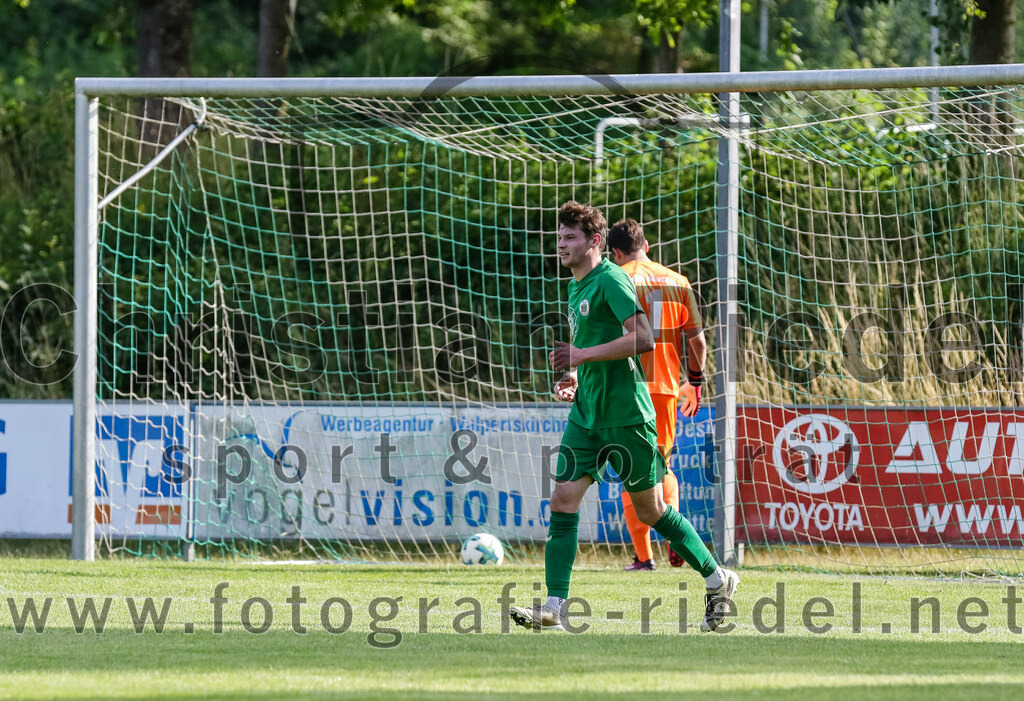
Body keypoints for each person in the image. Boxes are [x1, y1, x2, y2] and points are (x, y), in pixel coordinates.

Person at [509, 200, 738, 634]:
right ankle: (554, 607)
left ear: (596, 242)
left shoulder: (611, 279)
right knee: (562, 501)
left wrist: (579, 354)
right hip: (587, 414)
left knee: (651, 510)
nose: (561, 245)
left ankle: (718, 578)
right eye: (558, 238)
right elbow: (592, 344)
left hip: (627, 414)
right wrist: (574, 375)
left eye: (570, 238)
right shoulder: (576, 285)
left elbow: (644, 338)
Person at [607, 218, 706, 572]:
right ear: (646, 245)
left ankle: (644, 557)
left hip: (625, 386)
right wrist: (694, 381)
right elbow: (698, 341)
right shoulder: (678, 281)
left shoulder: (616, 277)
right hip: (665, 389)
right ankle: (676, 534)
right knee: (661, 465)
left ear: (616, 252)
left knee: (630, 471)